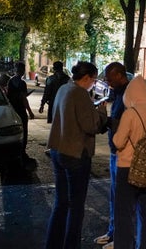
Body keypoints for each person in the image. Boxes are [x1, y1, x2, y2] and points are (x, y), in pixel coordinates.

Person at [45, 61, 108, 249]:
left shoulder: (65, 88)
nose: (94, 83)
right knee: (77, 206)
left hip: (58, 149)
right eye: (94, 79)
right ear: (87, 77)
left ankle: (53, 244)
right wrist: (102, 111)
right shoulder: (80, 94)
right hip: (75, 153)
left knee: (61, 203)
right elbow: (91, 125)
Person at [112, 75, 146, 249]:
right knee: (145, 212)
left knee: (124, 214)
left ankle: (123, 245)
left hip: (127, 170)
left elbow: (118, 142)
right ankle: (143, 245)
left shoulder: (130, 113)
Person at [94, 62, 131, 249]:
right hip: (114, 151)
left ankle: (122, 237)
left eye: (109, 77)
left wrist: (107, 120)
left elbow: (126, 125)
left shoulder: (129, 94)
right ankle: (113, 231)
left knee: (122, 198)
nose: (107, 81)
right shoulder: (116, 92)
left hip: (124, 153)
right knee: (114, 195)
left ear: (119, 75)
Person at [6, 62, 35, 163]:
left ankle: (15, 152)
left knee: (14, 131)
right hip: (21, 110)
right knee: (24, 131)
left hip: (13, 110)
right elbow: (23, 98)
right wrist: (30, 112)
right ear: (22, 71)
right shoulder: (22, 83)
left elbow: (8, 95)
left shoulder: (10, 81)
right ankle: (22, 152)